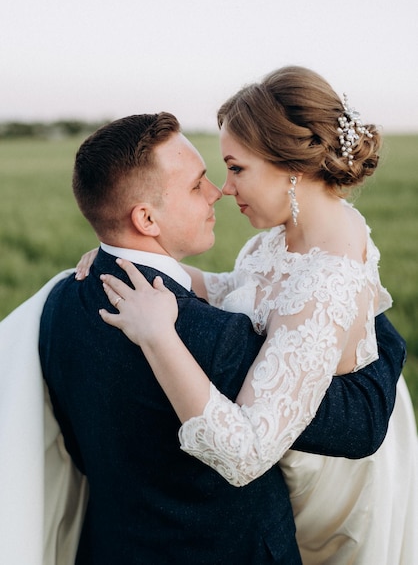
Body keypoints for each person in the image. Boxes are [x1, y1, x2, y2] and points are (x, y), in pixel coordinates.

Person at [38, 111, 407, 565]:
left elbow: (76, 441)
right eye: (197, 185)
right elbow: (360, 423)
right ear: (146, 218)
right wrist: (380, 328)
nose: (218, 190)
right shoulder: (215, 338)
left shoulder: (59, 301)